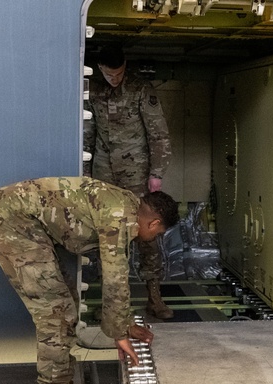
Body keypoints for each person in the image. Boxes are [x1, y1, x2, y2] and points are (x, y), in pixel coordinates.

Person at [0, 177, 179, 384]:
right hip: (9, 224)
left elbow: (119, 271)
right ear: (154, 223)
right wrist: (119, 334)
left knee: (67, 303)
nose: (152, 238)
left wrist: (125, 323)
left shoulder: (128, 205)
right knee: (56, 315)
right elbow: (115, 277)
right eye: (157, 234)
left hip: (23, 223)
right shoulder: (119, 217)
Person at [84, 43, 174, 320]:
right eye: (110, 74)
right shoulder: (93, 91)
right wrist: (85, 173)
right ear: (100, 69)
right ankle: (110, 303)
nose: (115, 79)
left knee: (147, 237)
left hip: (136, 175)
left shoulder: (140, 89)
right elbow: (88, 131)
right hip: (104, 176)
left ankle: (154, 299)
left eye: (120, 73)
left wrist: (156, 173)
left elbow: (158, 134)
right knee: (108, 239)